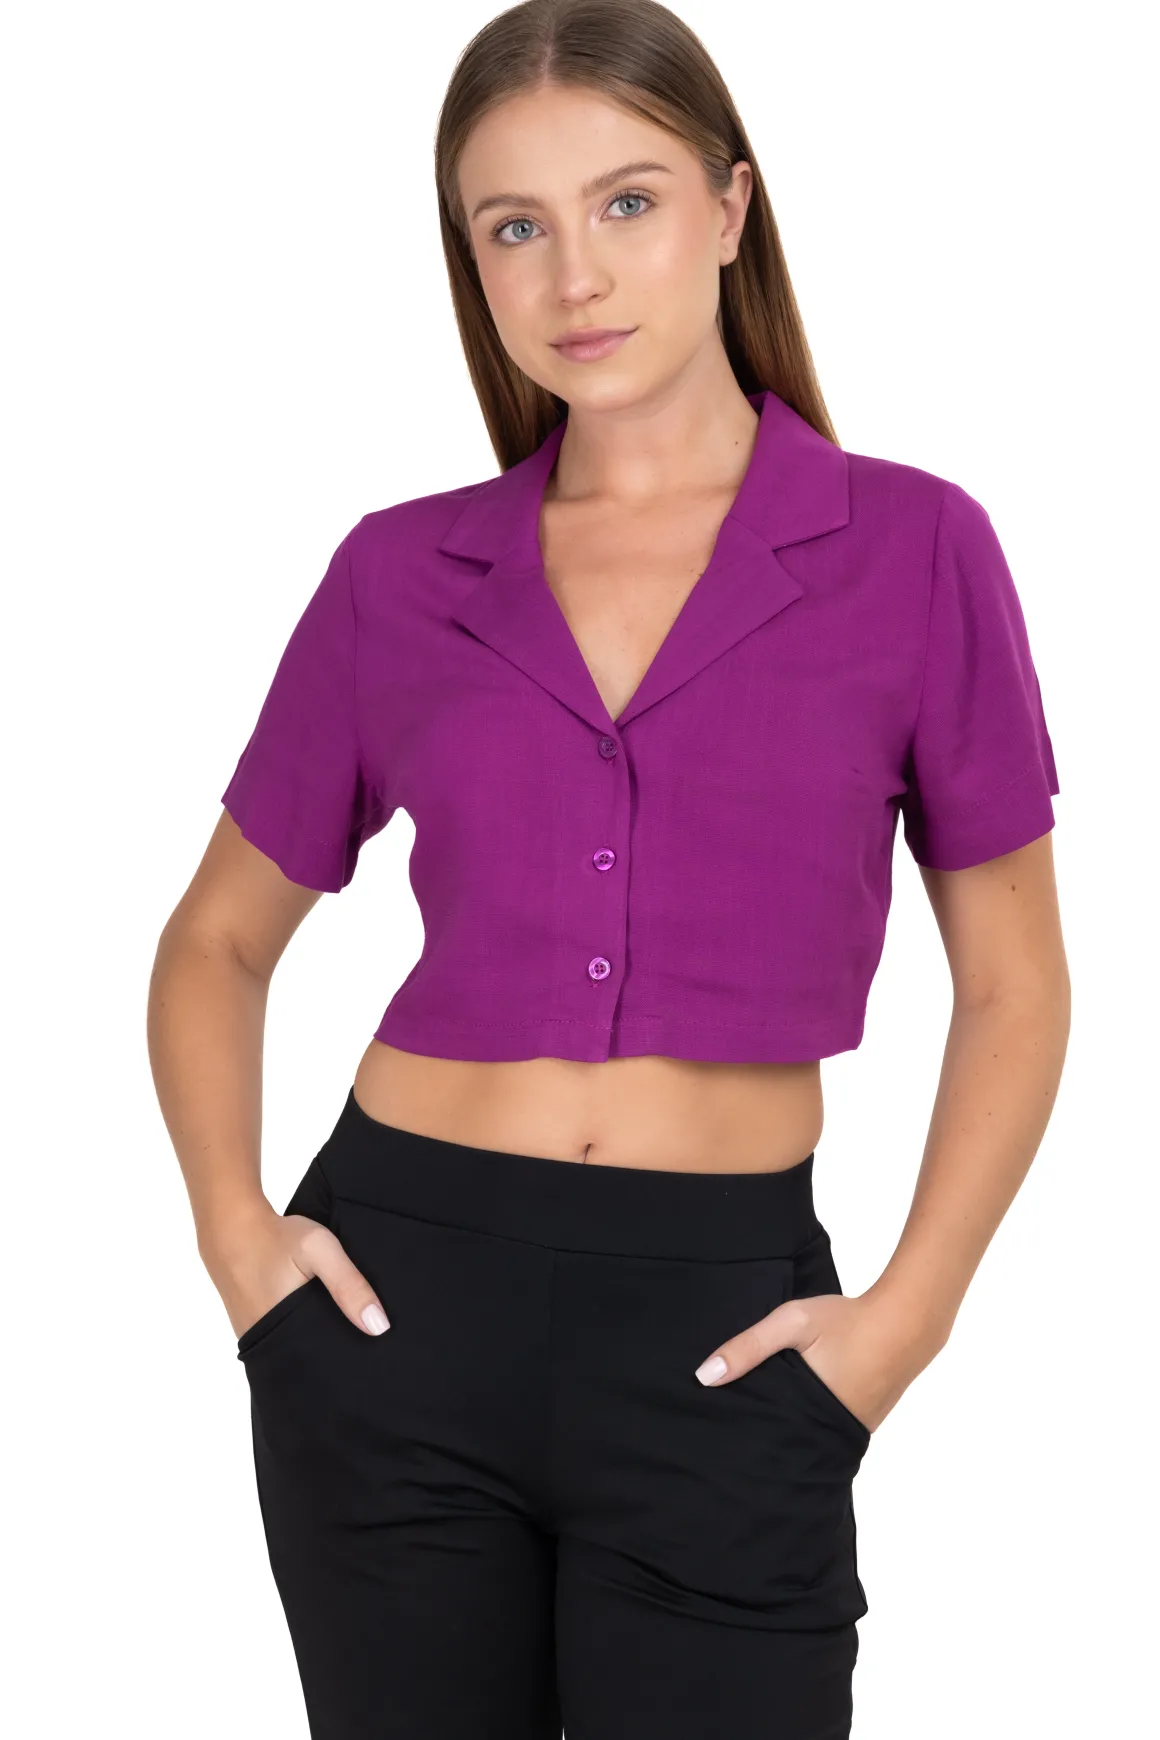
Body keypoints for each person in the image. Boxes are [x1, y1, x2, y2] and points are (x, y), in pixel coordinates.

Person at [147, 2, 1070, 1735]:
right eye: (516, 226)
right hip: (392, 1308)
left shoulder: (916, 549)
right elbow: (215, 943)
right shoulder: (399, 575)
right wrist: (239, 1248)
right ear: (473, 262)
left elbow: (1016, 983)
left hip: (723, 1332)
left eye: (627, 202)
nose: (575, 273)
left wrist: (908, 1319)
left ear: (732, 207)